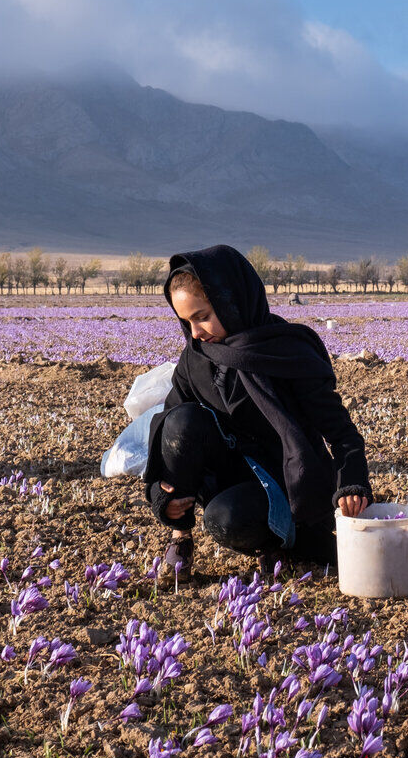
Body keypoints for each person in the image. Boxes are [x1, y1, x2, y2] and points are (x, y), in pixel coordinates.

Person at [143, 245, 372, 587]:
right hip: (231, 474)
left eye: (202, 316)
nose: (194, 332)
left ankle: (289, 542)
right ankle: (180, 539)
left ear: (231, 302)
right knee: (179, 422)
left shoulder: (286, 352)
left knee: (226, 520)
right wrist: (161, 494)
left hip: (288, 483)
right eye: (186, 320)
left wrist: (352, 483)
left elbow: (341, 434)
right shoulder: (196, 360)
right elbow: (170, 428)